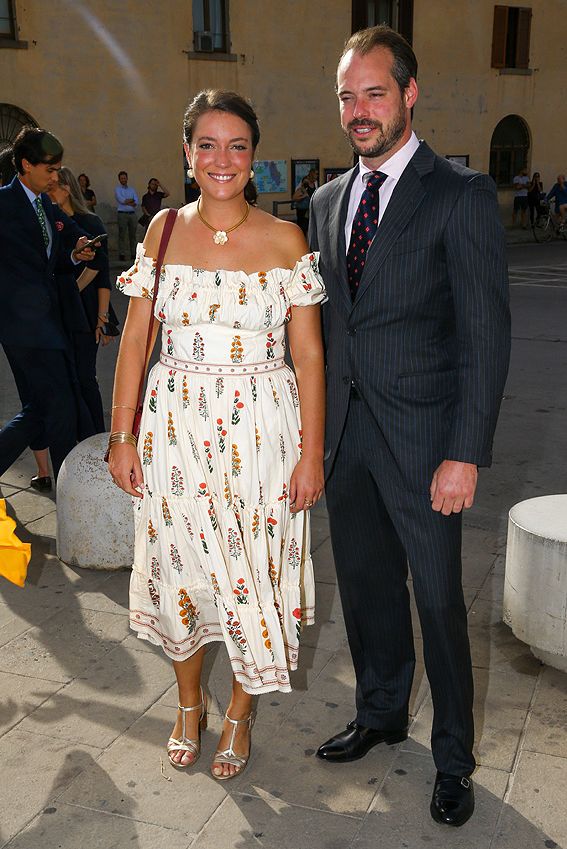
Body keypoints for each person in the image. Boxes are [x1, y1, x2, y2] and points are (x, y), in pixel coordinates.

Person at [308, 26, 510, 828]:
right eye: (347, 97)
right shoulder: (325, 201)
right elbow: (324, 330)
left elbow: (486, 337)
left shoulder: (459, 195)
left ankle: (452, 756)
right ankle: (382, 710)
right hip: (347, 439)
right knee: (363, 590)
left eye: (375, 94)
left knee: (436, 601)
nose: (359, 112)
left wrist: (464, 452)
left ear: (409, 94)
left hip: (428, 446)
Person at [108, 89, 326, 781]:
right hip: (174, 432)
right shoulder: (162, 230)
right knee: (180, 572)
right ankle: (186, 704)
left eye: (236, 145)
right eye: (207, 144)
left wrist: (311, 453)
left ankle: (238, 709)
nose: (221, 158)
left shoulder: (285, 239)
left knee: (249, 574)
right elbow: (137, 336)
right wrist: (121, 434)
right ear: (187, 153)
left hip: (262, 436)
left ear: (253, 155)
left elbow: (310, 356)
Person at [0, 127, 95, 484]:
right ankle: (72, 487)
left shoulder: (44, 204)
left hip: (49, 323)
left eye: (58, 170)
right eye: (49, 169)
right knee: (58, 406)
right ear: (26, 165)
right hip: (21, 328)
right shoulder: (3, 203)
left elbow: (51, 261)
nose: (56, 177)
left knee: (46, 408)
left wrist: (74, 252)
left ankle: (68, 489)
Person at [114, 170, 139, 261]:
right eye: (121, 178)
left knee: (132, 235)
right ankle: (122, 254)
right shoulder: (117, 189)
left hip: (132, 214)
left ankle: (133, 254)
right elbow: (121, 201)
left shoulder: (131, 189)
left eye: (125, 178)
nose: (123, 180)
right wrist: (130, 201)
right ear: (119, 179)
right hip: (122, 215)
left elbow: (136, 201)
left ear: (127, 178)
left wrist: (128, 201)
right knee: (122, 235)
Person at [292, 167, 318, 235]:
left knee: (309, 226)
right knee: (302, 227)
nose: (316, 177)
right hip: (302, 209)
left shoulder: (315, 184)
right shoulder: (304, 185)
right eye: (315, 175)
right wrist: (305, 196)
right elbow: (295, 197)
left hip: (310, 208)